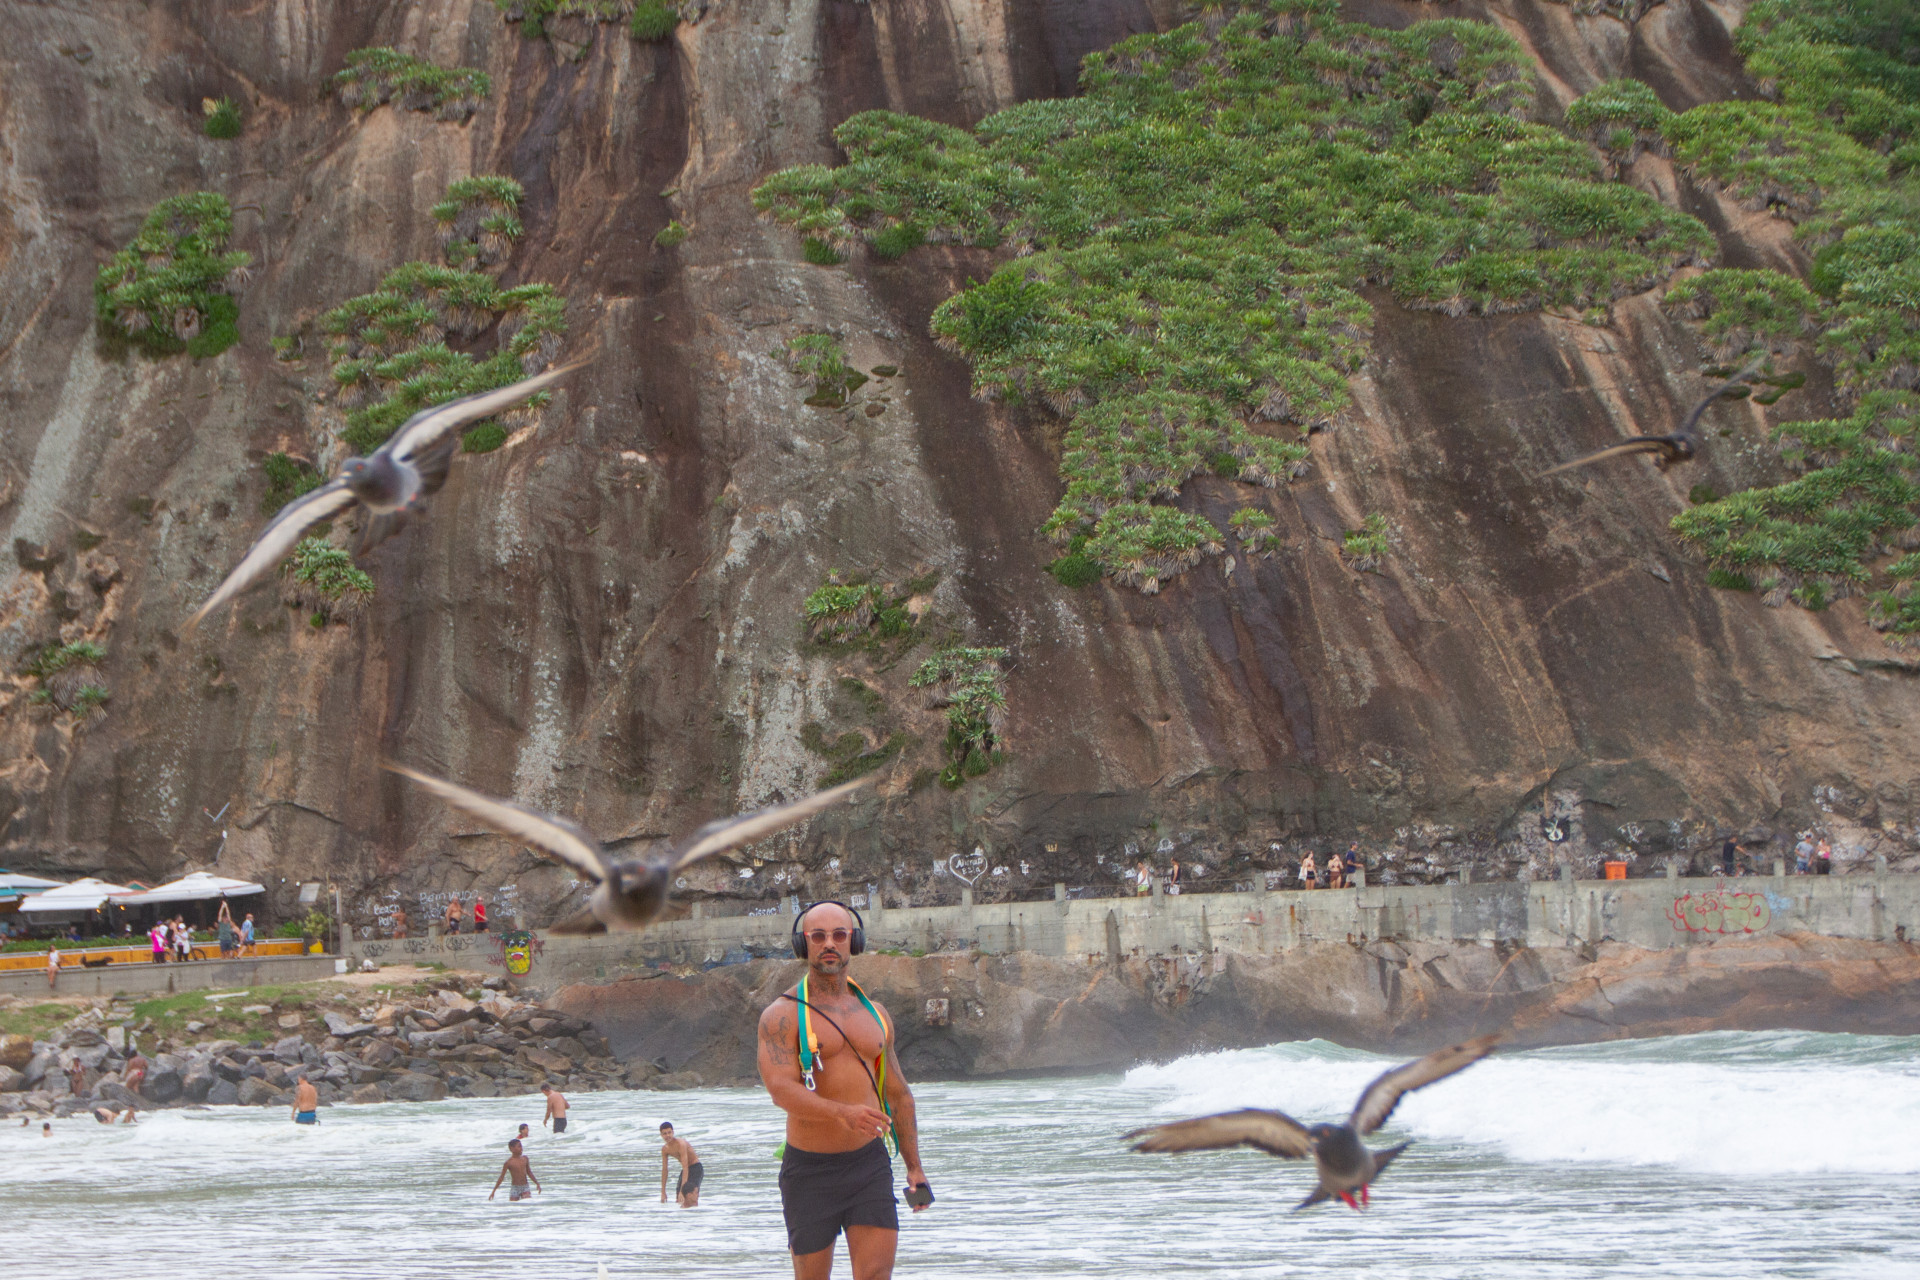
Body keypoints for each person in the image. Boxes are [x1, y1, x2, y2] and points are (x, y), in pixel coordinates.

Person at [758, 902, 930, 1280]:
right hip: (809, 1171)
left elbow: (899, 1094)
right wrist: (843, 1113)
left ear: (855, 940)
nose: (829, 944)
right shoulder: (781, 1016)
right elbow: (781, 1090)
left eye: (839, 935)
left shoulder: (875, 1014)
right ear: (803, 945)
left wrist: (914, 1166)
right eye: (818, 937)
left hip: (868, 1166)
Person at [660, 1121, 704, 1207]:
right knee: (679, 1199)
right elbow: (665, 1170)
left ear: (673, 1132)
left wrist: (682, 1191)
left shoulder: (681, 1144)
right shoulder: (665, 1149)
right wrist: (663, 1192)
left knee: (690, 1196)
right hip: (685, 1170)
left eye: (669, 1132)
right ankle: (681, 1218)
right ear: (661, 1135)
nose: (667, 1135)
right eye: (664, 1133)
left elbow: (685, 1166)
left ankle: (696, 1215)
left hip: (695, 1168)